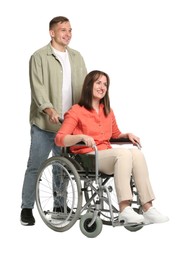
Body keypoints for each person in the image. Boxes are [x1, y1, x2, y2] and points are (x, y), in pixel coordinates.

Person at [55, 70, 169, 224]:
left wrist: (126, 135)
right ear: (89, 85)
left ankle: (148, 208)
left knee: (136, 153)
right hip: (86, 158)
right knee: (123, 154)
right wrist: (80, 137)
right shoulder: (76, 111)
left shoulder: (107, 111)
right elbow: (60, 139)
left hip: (107, 155)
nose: (102, 87)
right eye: (98, 83)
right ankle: (124, 209)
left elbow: (115, 133)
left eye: (105, 84)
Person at [20, 16, 87, 226]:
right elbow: (38, 89)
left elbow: (84, 88)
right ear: (52, 32)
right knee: (35, 166)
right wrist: (49, 109)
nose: (67, 34)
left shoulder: (77, 57)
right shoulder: (39, 57)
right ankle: (26, 208)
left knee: (63, 167)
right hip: (45, 124)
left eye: (70, 30)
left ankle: (60, 205)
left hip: (68, 125)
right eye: (63, 30)